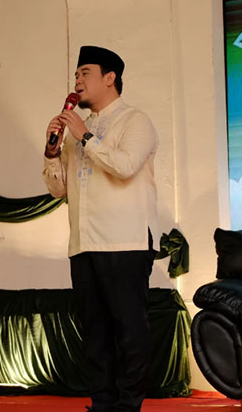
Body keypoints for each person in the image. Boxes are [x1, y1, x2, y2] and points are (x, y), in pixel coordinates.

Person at [42, 45, 159, 412]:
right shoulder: (78, 131)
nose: (77, 80)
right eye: (76, 75)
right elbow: (60, 190)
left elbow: (124, 166)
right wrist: (51, 153)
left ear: (110, 78)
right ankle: (102, 404)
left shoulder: (135, 121)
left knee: (129, 330)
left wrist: (85, 138)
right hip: (83, 243)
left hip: (125, 241)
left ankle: (129, 405)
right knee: (94, 333)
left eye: (85, 73)